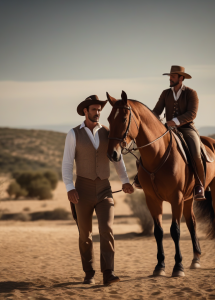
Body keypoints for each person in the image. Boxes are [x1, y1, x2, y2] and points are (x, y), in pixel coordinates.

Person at [62, 95, 134, 285]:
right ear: (85, 111)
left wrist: (125, 181)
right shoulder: (73, 134)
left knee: (107, 230)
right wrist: (70, 188)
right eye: (93, 110)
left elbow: (117, 158)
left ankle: (108, 273)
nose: (97, 113)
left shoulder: (109, 132)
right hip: (82, 190)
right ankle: (89, 272)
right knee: (85, 234)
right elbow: (67, 163)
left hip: (104, 188)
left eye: (99, 110)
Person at [135, 65, 206, 200]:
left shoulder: (191, 93)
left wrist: (174, 121)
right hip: (167, 129)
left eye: (173, 76)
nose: (170, 79)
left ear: (181, 78)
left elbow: (192, 114)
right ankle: (140, 177)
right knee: (148, 147)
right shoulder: (165, 93)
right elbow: (156, 111)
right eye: (170, 76)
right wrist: (150, 121)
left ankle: (199, 185)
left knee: (196, 154)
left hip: (187, 128)